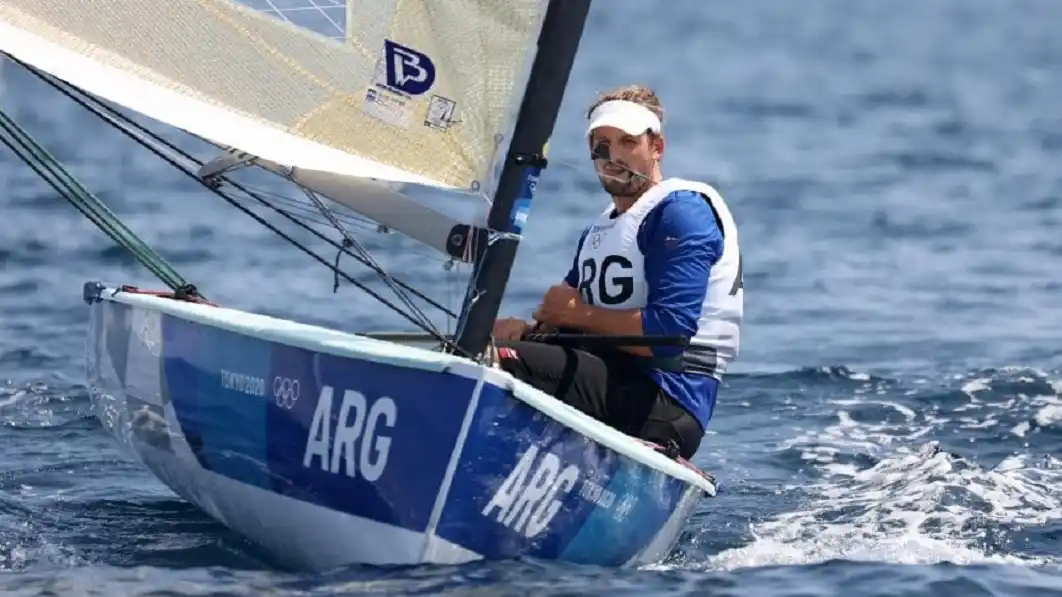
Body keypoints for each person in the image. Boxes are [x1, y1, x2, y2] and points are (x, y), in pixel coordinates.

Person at [490, 84, 743, 460]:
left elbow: (669, 333)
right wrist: (528, 331)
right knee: (475, 347)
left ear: (657, 147)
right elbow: (567, 323)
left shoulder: (680, 212)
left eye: (628, 142)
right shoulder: (601, 230)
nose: (613, 156)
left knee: (494, 357)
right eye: (602, 144)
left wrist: (576, 314)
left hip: (669, 398)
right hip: (610, 380)